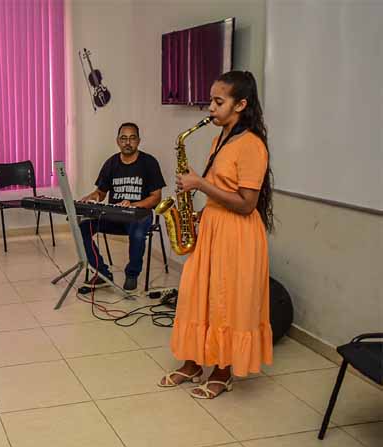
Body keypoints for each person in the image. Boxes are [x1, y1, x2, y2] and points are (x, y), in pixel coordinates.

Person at [159, 70, 274, 399]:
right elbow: (221, 191)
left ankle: (222, 372)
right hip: (213, 227)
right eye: (212, 100)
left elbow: (247, 204)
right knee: (197, 297)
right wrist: (198, 211)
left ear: (241, 104)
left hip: (237, 234)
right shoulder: (220, 138)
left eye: (218, 101)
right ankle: (193, 362)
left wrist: (199, 184)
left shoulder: (252, 145)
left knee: (225, 303)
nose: (210, 107)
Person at [79, 123, 165, 291]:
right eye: (124, 138)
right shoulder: (111, 163)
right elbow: (101, 193)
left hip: (140, 216)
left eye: (132, 138)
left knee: (138, 232)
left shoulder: (149, 163)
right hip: (114, 216)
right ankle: (102, 273)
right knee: (82, 227)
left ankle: (132, 274)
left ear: (138, 141)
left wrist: (133, 205)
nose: (128, 142)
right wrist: (91, 198)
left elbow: (156, 198)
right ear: (117, 141)